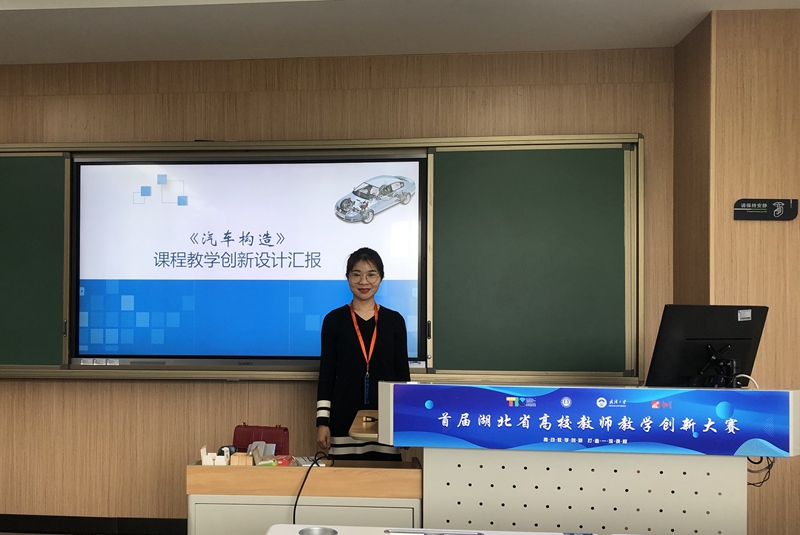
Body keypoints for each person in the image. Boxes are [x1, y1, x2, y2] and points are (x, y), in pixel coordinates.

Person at [316, 247, 411, 460]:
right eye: (356, 274)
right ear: (348, 278)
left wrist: (405, 423)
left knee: (386, 477)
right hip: (343, 419)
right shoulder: (334, 320)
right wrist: (322, 422)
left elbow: (402, 376)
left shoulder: (395, 321)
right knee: (344, 478)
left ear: (381, 278)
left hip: (386, 419)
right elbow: (326, 374)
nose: (363, 281)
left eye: (371, 275)